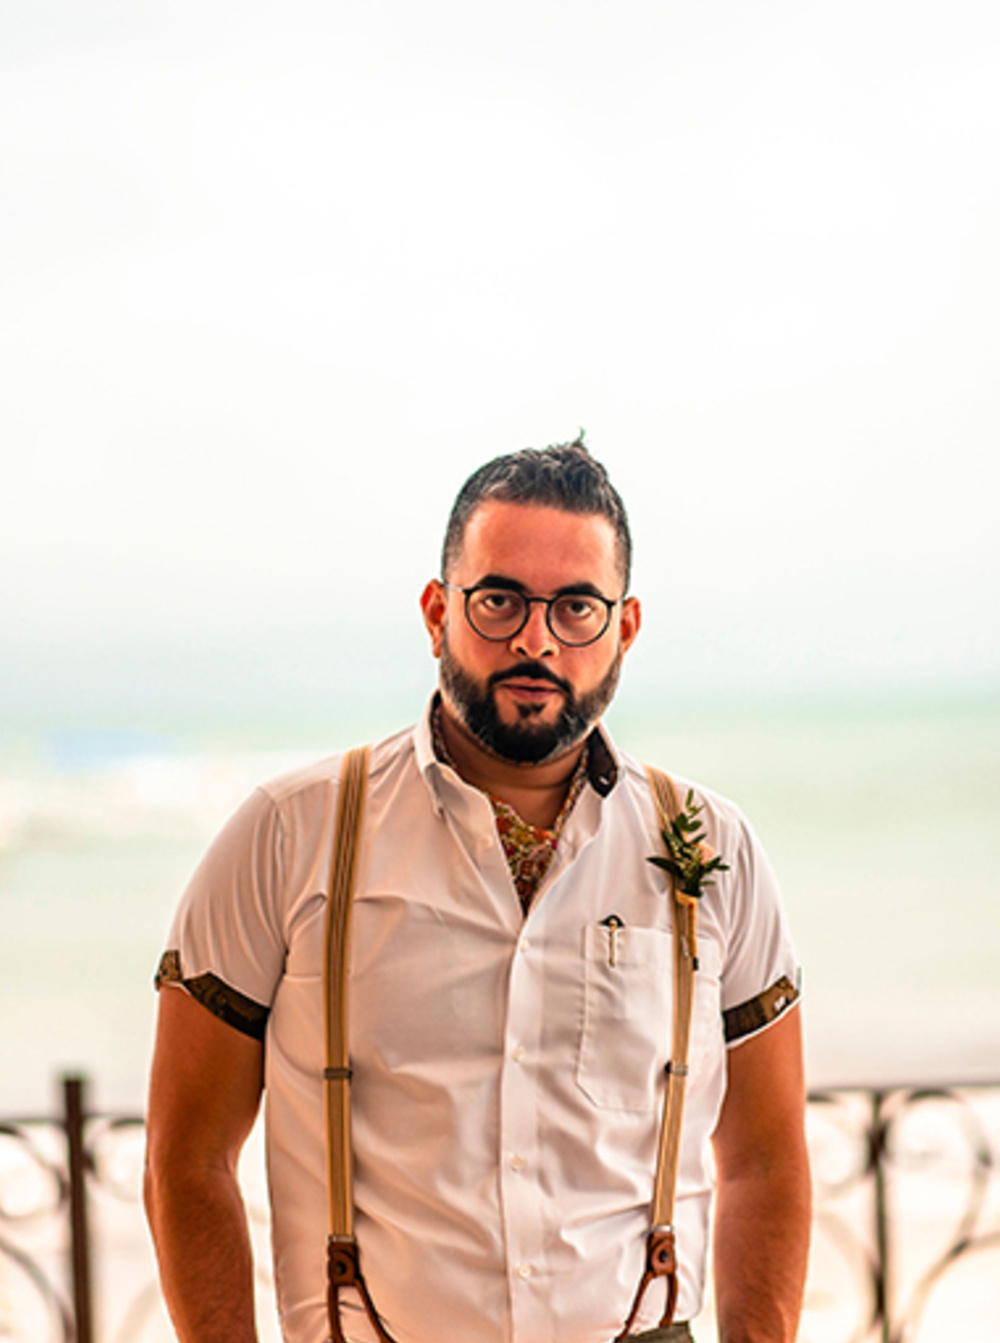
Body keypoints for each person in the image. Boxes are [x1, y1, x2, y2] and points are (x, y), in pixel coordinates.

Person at [144, 438, 811, 1343]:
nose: (535, 639)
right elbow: (187, 1159)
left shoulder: (714, 847)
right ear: (436, 611)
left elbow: (766, 1160)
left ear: (624, 627)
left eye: (576, 605)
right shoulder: (286, 834)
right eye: (499, 600)